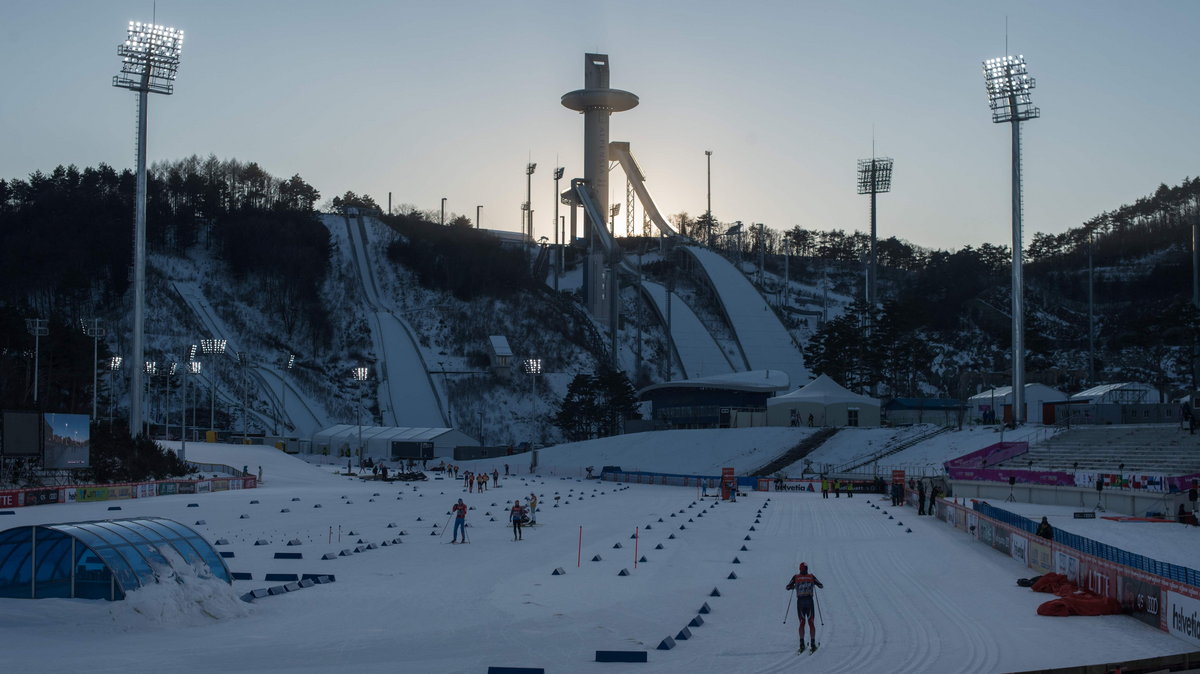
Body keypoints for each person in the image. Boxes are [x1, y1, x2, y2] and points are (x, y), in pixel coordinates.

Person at [786, 562, 824, 652]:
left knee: (802, 622)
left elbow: (787, 587)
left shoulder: (796, 577)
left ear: (800, 569)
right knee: (811, 621)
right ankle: (813, 643)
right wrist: (813, 584)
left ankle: (802, 644)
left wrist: (794, 587)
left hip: (800, 602)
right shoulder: (811, 576)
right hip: (809, 601)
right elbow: (821, 585)